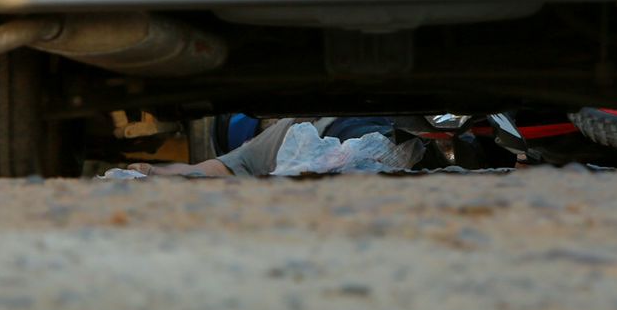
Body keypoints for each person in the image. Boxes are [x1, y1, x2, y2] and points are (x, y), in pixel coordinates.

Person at [129, 116, 414, 177]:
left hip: (341, 129)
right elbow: (206, 169)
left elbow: (203, 170)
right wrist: (158, 172)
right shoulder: (258, 146)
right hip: (345, 128)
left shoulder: (257, 147)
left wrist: (158, 172)